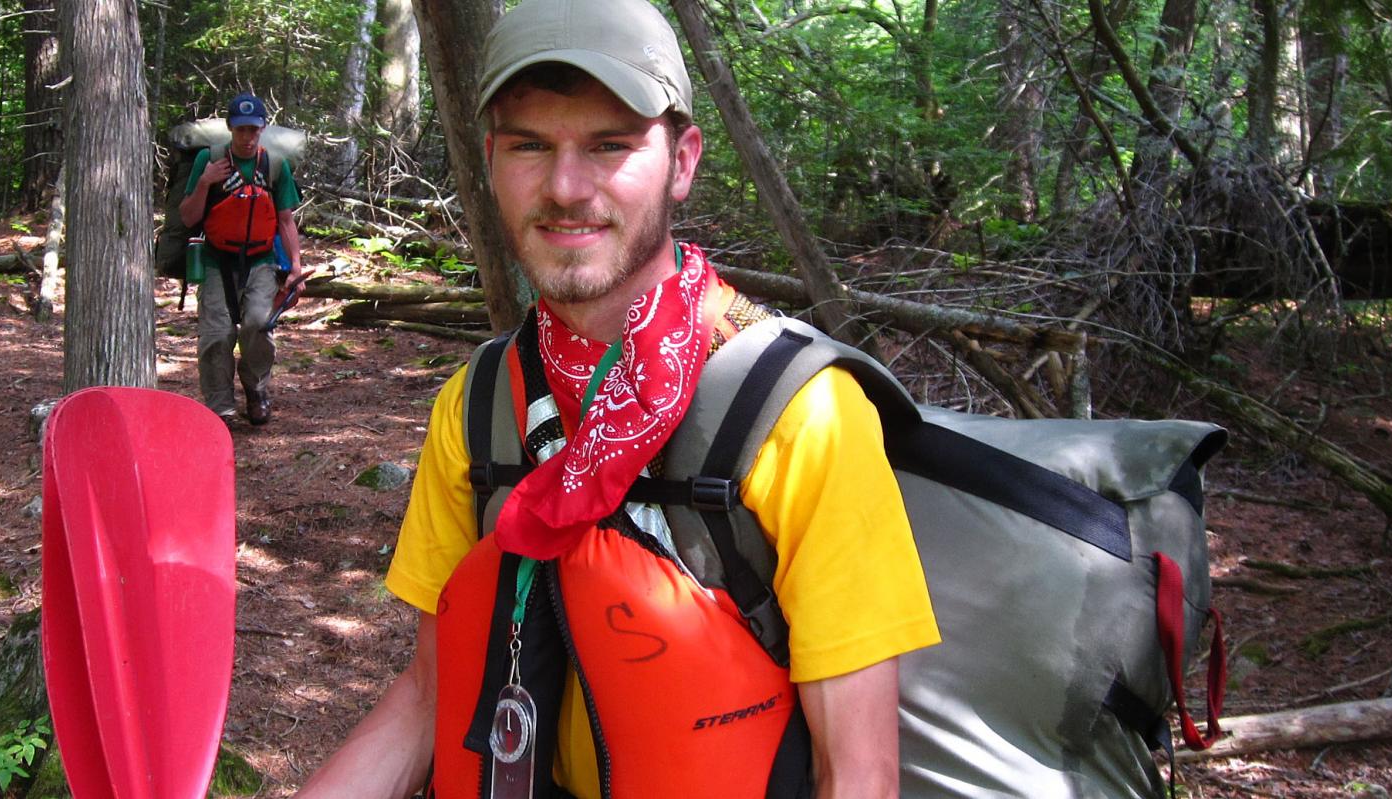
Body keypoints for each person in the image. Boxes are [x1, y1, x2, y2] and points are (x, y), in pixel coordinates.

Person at [297, 0, 939, 796]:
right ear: (490, 158)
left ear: (683, 160)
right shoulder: (480, 404)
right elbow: (428, 696)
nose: (566, 188)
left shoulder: (799, 414)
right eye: (531, 145)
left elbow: (860, 773)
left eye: (610, 145)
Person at [178, 92, 305, 426]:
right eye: (241, 130)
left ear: (262, 128)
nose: (247, 137)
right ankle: (220, 407)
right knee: (217, 334)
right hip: (216, 260)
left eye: (253, 129)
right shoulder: (208, 160)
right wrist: (205, 182)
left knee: (258, 325)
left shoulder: (275, 166)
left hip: (261, 260)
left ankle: (257, 389)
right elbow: (189, 217)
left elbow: (286, 220)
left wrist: (295, 266)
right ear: (230, 130)